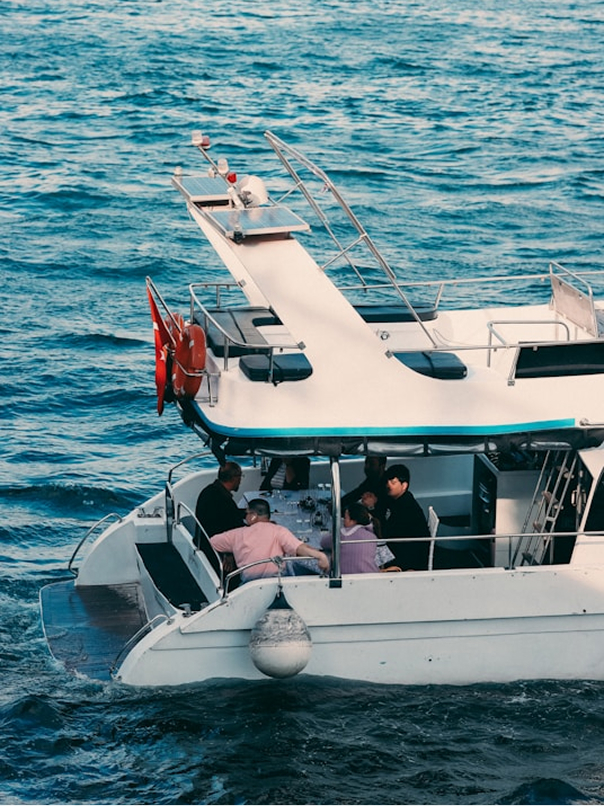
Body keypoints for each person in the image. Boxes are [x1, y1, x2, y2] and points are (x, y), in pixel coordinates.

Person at [210, 498, 330, 582]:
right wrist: (320, 556)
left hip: (248, 585)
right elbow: (299, 548)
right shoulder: (279, 531)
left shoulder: (236, 534)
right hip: (274, 583)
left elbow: (213, 542)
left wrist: (228, 552)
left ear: (253, 516)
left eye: (246, 514)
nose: (245, 517)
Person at [382, 464, 430, 571]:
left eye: (393, 483)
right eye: (387, 482)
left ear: (404, 485)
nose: (388, 485)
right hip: (401, 549)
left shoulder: (406, 507)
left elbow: (390, 533)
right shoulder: (397, 500)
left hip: (407, 557)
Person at [321, 502, 380, 574]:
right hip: (370, 575)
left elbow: (323, 543)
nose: (343, 520)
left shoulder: (342, 534)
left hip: (345, 577)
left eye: (345, 518)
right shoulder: (372, 535)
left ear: (353, 521)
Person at [195, 461, 246, 539]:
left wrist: (246, 512)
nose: (240, 481)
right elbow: (238, 527)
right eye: (240, 476)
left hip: (202, 538)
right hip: (214, 546)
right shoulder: (225, 501)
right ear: (234, 478)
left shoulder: (209, 490)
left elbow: (230, 514)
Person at [342, 456, 389, 525]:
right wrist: (338, 504)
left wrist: (371, 507)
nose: (367, 467)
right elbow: (355, 494)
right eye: (366, 463)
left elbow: (382, 516)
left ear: (382, 466)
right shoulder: (371, 480)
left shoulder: (387, 486)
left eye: (372, 464)